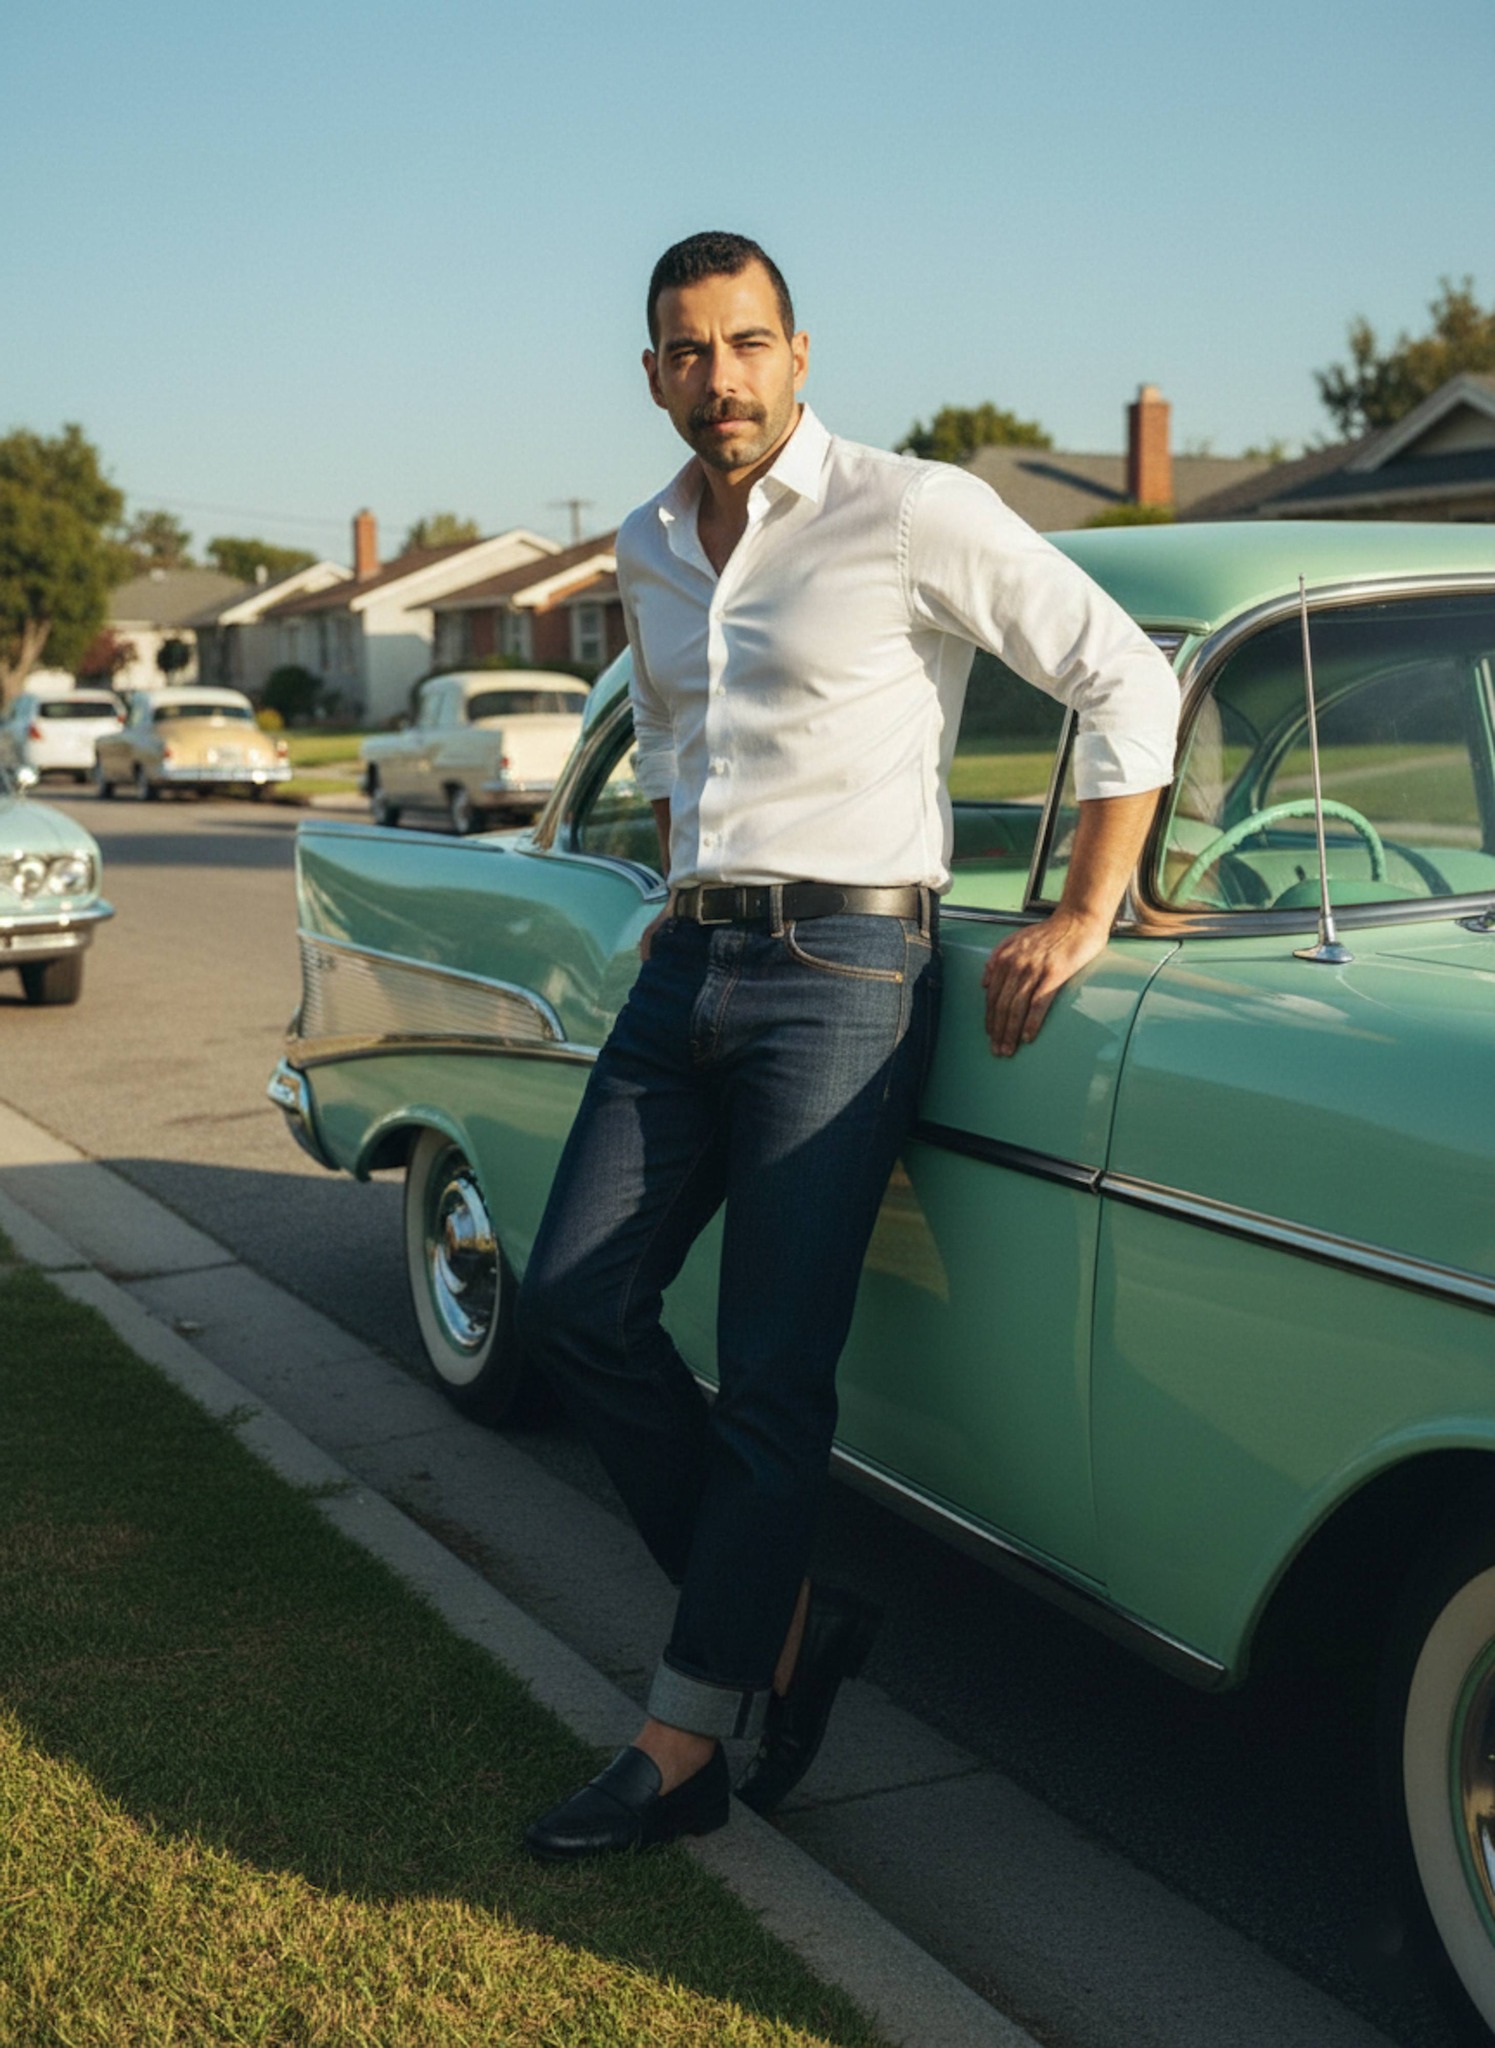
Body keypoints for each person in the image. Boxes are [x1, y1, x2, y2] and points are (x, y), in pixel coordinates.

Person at [519, 230, 1178, 1859]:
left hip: (851, 969)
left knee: (771, 1376)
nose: (718, 379)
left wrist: (1086, 909)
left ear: (801, 354)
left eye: (747, 345)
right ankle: (784, 1622)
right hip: (695, 960)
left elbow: (1125, 677)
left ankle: (684, 1739)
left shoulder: (912, 509)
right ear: (653, 372)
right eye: (686, 351)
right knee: (577, 1301)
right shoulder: (650, 544)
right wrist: (681, 885)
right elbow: (674, 735)